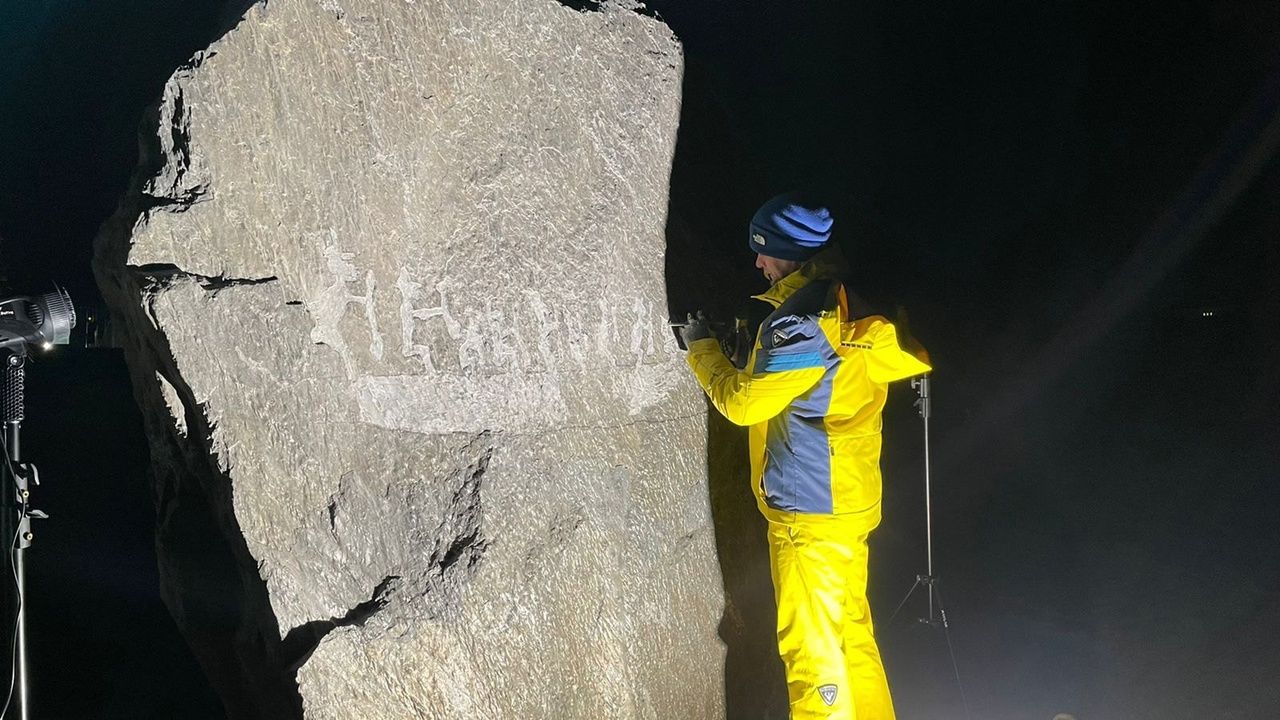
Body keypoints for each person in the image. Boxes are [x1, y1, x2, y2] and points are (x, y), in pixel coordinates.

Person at [680, 192, 930, 720]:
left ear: (789, 253)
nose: (757, 262)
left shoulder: (800, 322)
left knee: (813, 658)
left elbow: (744, 404)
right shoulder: (852, 303)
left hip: (808, 515)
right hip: (850, 504)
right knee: (851, 636)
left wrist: (701, 348)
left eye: (763, 251)